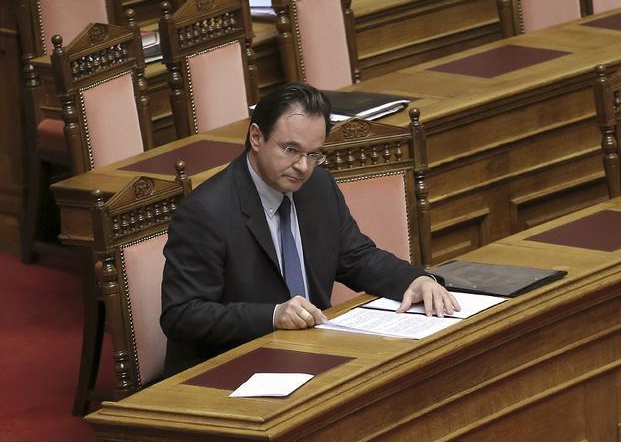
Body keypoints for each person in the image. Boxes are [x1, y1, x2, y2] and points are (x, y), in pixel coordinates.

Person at [161, 82, 459, 375]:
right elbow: (182, 314)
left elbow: (356, 257)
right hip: (235, 367)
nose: (303, 167)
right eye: (291, 149)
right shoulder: (207, 212)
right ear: (256, 137)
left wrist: (415, 279)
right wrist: (273, 316)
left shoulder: (318, 186)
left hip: (313, 353)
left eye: (314, 154)